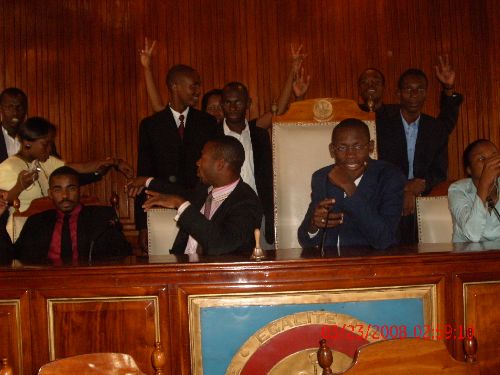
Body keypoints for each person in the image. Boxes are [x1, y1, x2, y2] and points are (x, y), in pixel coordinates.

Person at [127, 64, 220, 251]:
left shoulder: (208, 123)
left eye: (198, 86)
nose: (198, 91)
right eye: (193, 86)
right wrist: (143, 227)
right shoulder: (151, 125)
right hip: (161, 212)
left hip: (201, 211)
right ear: (175, 86)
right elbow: (143, 177)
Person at [138, 38, 310, 129]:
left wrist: (293, 71)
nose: (216, 112)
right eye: (211, 109)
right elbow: (160, 109)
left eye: (219, 106)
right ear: (203, 112)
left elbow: (277, 113)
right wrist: (147, 69)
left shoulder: (247, 129)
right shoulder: (201, 129)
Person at [0, 117, 133, 228]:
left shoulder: (46, 162)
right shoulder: (8, 167)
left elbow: (83, 167)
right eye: (45, 144)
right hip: (22, 234)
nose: (50, 148)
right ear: (27, 144)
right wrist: (20, 186)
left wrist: (115, 162)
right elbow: (2, 202)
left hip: (47, 230)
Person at [143, 136, 262, 256]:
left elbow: (220, 244)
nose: (197, 162)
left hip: (217, 272)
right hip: (181, 267)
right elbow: (176, 190)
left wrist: (180, 204)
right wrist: (146, 181)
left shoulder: (247, 202)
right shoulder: (203, 190)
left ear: (220, 164)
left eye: (202, 157)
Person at [298, 118, 405, 250]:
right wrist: (314, 225)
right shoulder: (322, 177)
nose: (350, 154)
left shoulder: (389, 176)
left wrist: (350, 188)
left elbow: (385, 240)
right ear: (332, 150)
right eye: (342, 147)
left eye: (358, 146)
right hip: (331, 264)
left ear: (370, 146)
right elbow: (305, 240)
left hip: (374, 264)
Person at [375, 69, 450, 244]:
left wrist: (418, 187)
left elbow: (440, 171)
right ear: (398, 93)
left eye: (420, 89)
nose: (414, 94)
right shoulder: (382, 126)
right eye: (409, 89)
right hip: (389, 195)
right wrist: (404, 188)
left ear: (426, 94)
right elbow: (377, 165)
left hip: (425, 197)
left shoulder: (436, 128)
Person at [0, 166, 131, 263]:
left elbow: (123, 254)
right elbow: (10, 257)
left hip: (90, 286)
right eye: (58, 190)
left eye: (71, 188)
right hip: (45, 286)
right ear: (50, 193)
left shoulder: (102, 218)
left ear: (79, 191)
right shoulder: (36, 222)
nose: (65, 196)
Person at [219, 81, 274, 247]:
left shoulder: (260, 136)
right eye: (228, 102)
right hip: (224, 214)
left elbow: (267, 175)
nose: (233, 107)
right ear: (222, 105)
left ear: (248, 103)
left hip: (260, 212)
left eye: (238, 102)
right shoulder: (211, 136)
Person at [358, 55, 463, 135]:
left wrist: (448, 88)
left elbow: (441, 128)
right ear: (359, 88)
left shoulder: (399, 113)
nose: (370, 86)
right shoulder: (350, 115)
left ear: (384, 87)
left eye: (376, 82)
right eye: (365, 82)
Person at [448, 140, 500, 242]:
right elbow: (473, 234)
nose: (490, 163)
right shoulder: (457, 190)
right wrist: (484, 185)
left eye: (494, 156)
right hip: (469, 255)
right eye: (482, 158)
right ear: (469, 170)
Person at [0, 87, 28, 162]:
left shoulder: (36, 138)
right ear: (1, 108)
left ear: (25, 110)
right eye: (9, 107)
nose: (15, 112)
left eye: (19, 107)